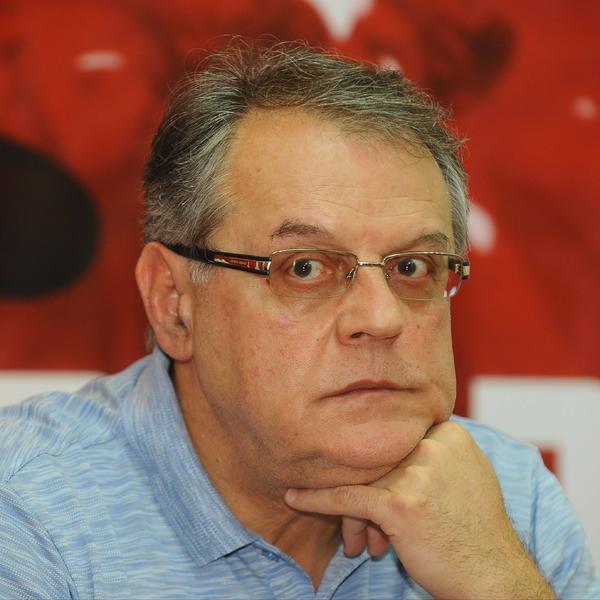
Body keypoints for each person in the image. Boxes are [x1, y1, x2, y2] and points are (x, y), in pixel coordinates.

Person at [1, 41, 598, 599]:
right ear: (173, 302)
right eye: (305, 268)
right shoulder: (27, 509)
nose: (381, 317)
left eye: (412, 266)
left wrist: (494, 576)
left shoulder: (502, 498)